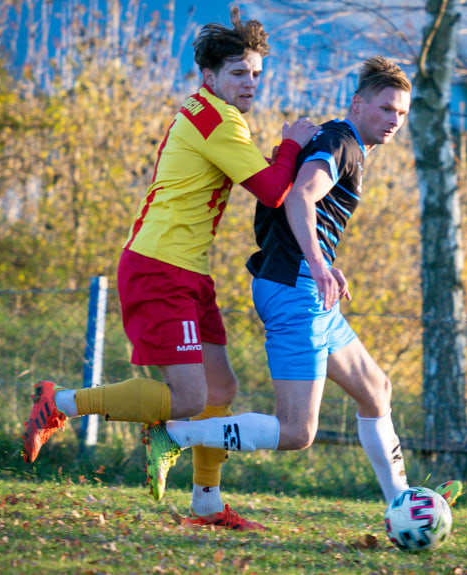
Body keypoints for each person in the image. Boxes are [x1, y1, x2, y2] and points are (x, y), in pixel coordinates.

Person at [21, 7, 318, 532]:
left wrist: (278, 154)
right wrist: (293, 142)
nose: (250, 83)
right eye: (238, 74)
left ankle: (206, 505)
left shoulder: (215, 115)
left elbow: (262, 177)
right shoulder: (217, 119)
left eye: (255, 74)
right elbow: (274, 191)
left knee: (221, 391)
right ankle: (60, 401)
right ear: (209, 77)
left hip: (188, 272)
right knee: (189, 400)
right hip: (159, 267)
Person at [143, 56, 464, 515]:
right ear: (358, 104)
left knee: (376, 390)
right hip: (296, 289)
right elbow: (300, 196)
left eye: (402, 113)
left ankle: (402, 502)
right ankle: (172, 435)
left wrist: (321, 267)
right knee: (296, 431)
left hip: (307, 290)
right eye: (386, 109)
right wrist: (317, 263)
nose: (394, 121)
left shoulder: (340, 140)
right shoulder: (341, 144)